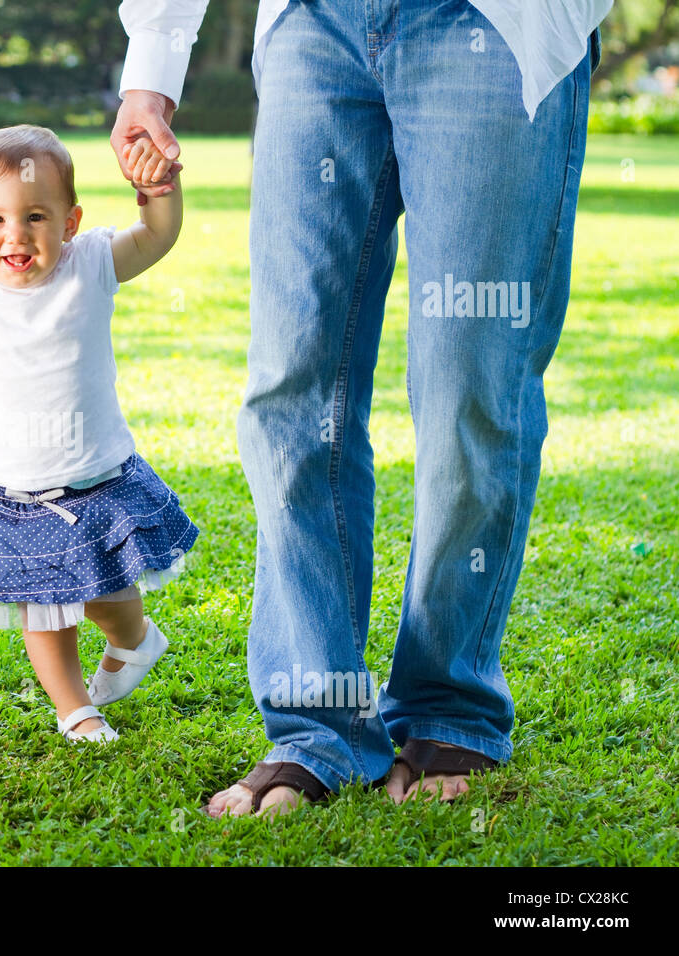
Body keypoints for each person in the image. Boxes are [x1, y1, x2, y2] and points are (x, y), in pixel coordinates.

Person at [110, 0, 612, 815]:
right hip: (315, 26)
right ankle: (319, 724)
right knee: (292, 386)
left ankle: (450, 707)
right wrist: (153, 70)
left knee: (469, 385)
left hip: (491, 25)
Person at [0, 125, 197, 742]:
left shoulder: (90, 263)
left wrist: (158, 187)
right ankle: (75, 709)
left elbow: (158, 235)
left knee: (111, 595)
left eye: (36, 216)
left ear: (70, 223)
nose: (15, 235)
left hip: (94, 476)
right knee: (43, 605)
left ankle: (133, 639)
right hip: (14, 490)